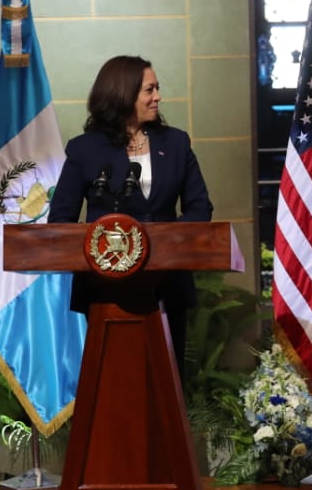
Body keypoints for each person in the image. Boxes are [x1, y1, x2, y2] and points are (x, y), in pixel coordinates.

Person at [49, 55, 213, 367]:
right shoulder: (85, 149)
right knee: (112, 377)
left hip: (167, 285)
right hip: (104, 289)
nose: (158, 97)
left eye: (157, 89)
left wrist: (167, 243)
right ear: (123, 94)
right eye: (149, 90)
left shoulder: (176, 143)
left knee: (168, 378)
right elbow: (61, 220)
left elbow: (199, 207)